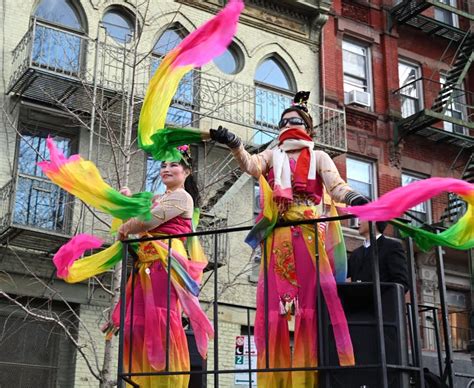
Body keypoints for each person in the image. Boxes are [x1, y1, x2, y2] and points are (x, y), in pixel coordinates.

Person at [210, 91, 368, 387]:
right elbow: (252, 166)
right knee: (275, 308)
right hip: (278, 236)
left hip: (309, 236)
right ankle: (274, 379)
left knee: (309, 306)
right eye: (283, 122)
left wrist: (355, 199)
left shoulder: (319, 156)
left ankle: (307, 378)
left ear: (308, 128)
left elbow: (336, 187)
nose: (287, 125)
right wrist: (235, 145)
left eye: (294, 120)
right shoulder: (273, 155)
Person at [112, 146, 213, 388]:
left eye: (173, 165)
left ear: (186, 171)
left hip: (165, 262)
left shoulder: (181, 197)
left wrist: (127, 226)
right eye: (163, 165)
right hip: (145, 264)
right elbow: (137, 224)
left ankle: (167, 382)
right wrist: (127, 205)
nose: (166, 169)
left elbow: (146, 222)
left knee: (161, 319)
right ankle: (143, 380)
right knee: (136, 323)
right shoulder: (159, 199)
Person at [348, 220, 409, 292]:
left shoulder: (392, 247)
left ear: (374, 221)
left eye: (362, 218)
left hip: (381, 301)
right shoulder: (356, 253)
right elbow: (340, 274)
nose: (358, 222)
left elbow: (401, 282)